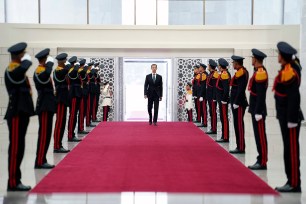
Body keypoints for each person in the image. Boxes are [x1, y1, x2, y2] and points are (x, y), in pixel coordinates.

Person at [273, 42, 303, 192]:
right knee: (288, 149)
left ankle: (294, 183)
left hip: (290, 117)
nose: (277, 56)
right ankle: (290, 180)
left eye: (278, 54)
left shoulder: (291, 71)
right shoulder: (287, 69)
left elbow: (293, 96)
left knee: (291, 150)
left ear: (283, 56)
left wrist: (291, 119)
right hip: (285, 116)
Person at [5, 42, 35, 191]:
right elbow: (20, 72)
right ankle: (12, 182)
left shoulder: (18, 70)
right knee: (16, 148)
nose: (25, 56)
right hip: (16, 113)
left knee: (20, 147)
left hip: (22, 112)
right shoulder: (12, 69)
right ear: (18, 55)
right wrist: (27, 61)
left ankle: (17, 180)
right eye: (23, 54)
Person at [33, 48, 56, 169]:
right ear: (45, 59)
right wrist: (50, 64)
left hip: (48, 105)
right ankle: (40, 161)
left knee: (46, 134)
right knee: (44, 134)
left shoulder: (42, 70)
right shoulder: (39, 71)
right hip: (44, 105)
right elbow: (47, 74)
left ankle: (42, 159)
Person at [247, 49, 268, 170]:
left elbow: (261, 94)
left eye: (252, 58)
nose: (251, 59)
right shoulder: (257, 71)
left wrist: (259, 111)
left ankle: (263, 161)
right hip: (255, 108)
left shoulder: (261, 72)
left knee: (260, 136)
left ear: (255, 59)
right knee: (258, 135)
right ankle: (260, 158)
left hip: (258, 110)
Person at [229, 55, 249, 154]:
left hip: (239, 103)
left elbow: (241, 89)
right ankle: (239, 145)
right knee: (237, 124)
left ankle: (241, 147)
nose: (232, 64)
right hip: (236, 102)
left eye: (233, 63)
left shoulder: (242, 72)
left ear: (237, 63)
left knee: (239, 125)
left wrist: (236, 102)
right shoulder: (239, 72)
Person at [53, 53, 71, 153]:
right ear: (60, 61)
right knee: (59, 123)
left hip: (64, 99)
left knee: (63, 122)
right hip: (60, 99)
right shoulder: (58, 71)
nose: (65, 62)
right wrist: (68, 66)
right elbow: (64, 71)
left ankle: (59, 144)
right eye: (64, 61)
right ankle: (56, 145)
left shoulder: (63, 71)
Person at [67, 56, 82, 142]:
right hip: (73, 94)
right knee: (72, 115)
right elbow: (73, 75)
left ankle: (72, 134)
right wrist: (76, 66)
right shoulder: (72, 71)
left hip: (76, 94)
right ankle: (70, 135)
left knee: (74, 115)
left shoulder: (74, 70)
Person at [215, 58, 231, 143]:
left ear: (220, 66)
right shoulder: (222, 73)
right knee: (222, 117)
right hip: (220, 100)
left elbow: (226, 89)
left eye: (218, 65)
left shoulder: (224, 74)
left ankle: (225, 136)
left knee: (224, 118)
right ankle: (223, 135)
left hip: (223, 100)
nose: (217, 66)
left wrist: (224, 99)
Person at [77, 59, 90, 134]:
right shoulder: (80, 72)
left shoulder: (82, 72)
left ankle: (81, 127)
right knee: (82, 111)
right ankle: (80, 128)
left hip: (84, 92)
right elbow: (84, 80)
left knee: (83, 111)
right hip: (82, 93)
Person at [206, 59, 218, 134]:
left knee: (213, 112)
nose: (208, 66)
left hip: (212, 97)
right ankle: (212, 127)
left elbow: (214, 87)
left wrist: (214, 97)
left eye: (208, 65)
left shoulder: (215, 74)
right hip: (209, 96)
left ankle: (214, 129)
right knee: (211, 112)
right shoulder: (211, 73)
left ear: (210, 66)